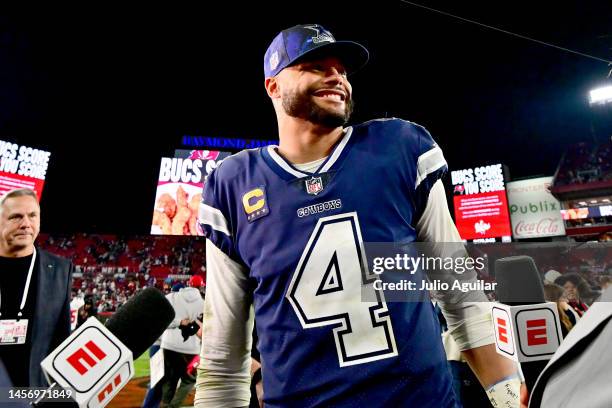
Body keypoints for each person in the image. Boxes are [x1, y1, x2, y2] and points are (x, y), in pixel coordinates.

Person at [195, 24, 518, 407]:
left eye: (342, 70)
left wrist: (508, 396)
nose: (336, 76)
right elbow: (223, 357)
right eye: (314, 66)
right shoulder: (232, 185)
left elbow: (461, 293)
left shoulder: (399, 146)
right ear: (273, 86)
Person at [0, 188, 73, 387]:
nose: (26, 224)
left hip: (32, 392)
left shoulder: (59, 270)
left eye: (32, 215)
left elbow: (61, 340)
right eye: (16, 217)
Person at [528, 285, 612, 407]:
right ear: (554, 299)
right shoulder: (552, 322)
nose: (567, 300)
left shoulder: (568, 314)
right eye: (563, 297)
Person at [159, 275, 205, 408]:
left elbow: (161, 321)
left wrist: (179, 322)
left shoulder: (171, 297)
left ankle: (165, 405)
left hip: (168, 346)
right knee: (189, 380)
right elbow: (204, 332)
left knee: (169, 380)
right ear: (201, 286)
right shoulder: (204, 304)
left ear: (188, 284)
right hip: (191, 350)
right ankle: (173, 406)